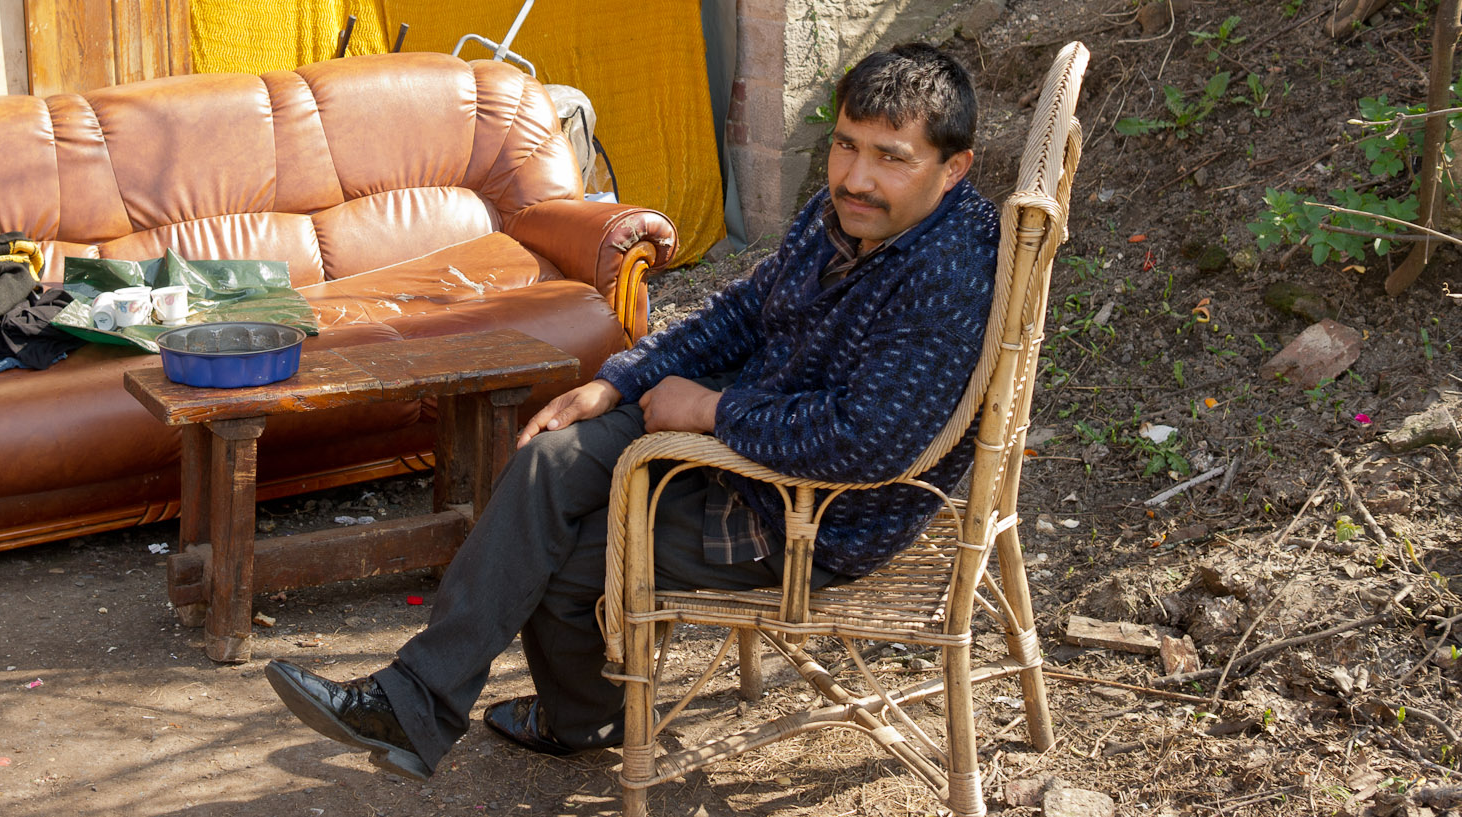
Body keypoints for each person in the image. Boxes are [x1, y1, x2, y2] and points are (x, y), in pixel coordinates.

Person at [264, 42, 999, 781]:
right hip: (748, 431)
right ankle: (423, 700)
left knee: (563, 557)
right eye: (845, 144)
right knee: (552, 450)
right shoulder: (848, 211)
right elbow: (749, 307)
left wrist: (713, 409)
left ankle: (569, 717)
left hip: (805, 512)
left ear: (953, 167)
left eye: (890, 158)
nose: (856, 176)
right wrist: (621, 380)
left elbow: (865, 441)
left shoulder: (946, 273)